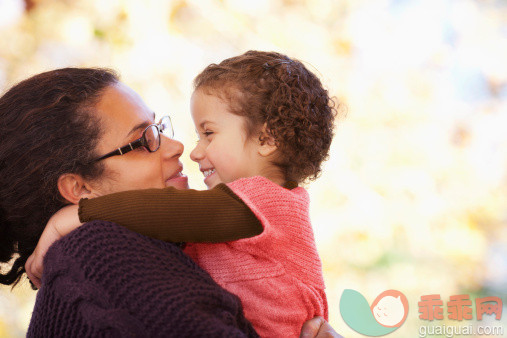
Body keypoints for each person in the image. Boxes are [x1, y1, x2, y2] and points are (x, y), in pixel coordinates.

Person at [0, 67, 340, 337]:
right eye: (145, 139)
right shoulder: (98, 252)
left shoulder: (115, 262)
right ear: (80, 188)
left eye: (159, 128)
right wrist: (74, 218)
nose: (178, 147)